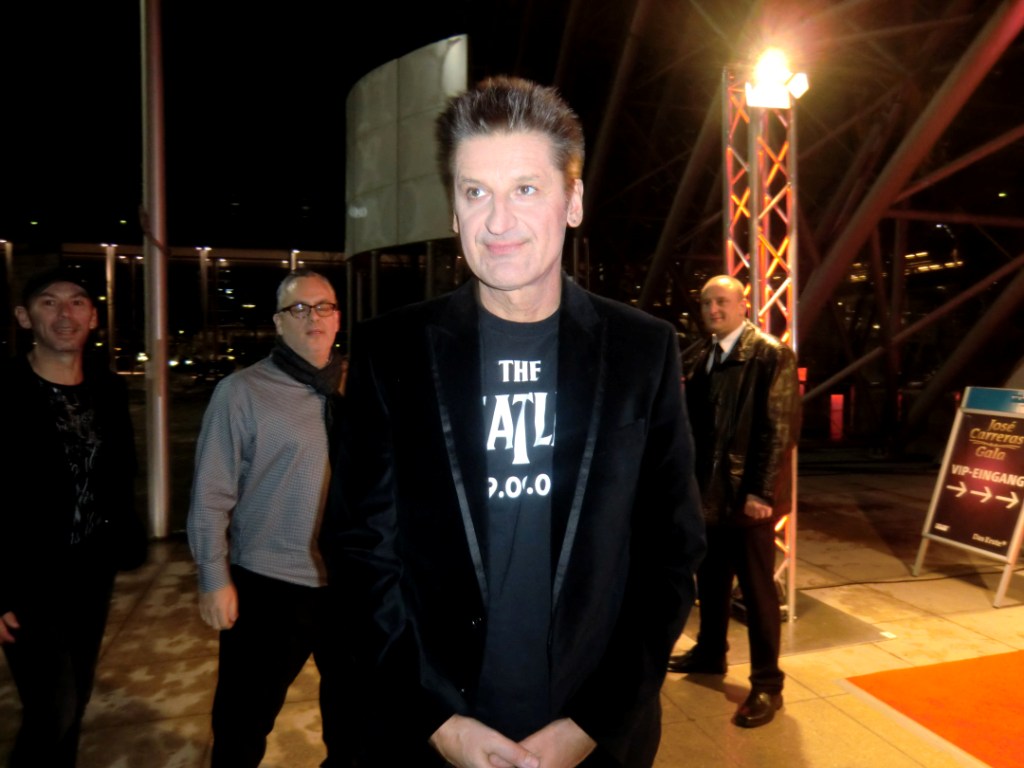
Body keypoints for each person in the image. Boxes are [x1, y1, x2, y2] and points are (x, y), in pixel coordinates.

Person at [320, 76, 705, 768]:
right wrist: (438, 720)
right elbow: (359, 549)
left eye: (525, 189)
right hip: (432, 732)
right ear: (453, 208)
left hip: (595, 734)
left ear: (573, 201)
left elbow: (670, 552)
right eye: (476, 193)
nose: (497, 222)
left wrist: (593, 721)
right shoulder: (393, 352)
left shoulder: (641, 351)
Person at [187, 268, 357, 767]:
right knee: (242, 723)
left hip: (351, 584)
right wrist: (213, 578)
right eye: (298, 308)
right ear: (278, 323)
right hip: (270, 585)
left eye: (323, 307)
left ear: (338, 318)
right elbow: (210, 493)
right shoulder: (242, 391)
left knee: (355, 724)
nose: (313, 317)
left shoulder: (361, 386)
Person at [0, 267, 147, 767]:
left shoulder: (108, 388)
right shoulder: (4, 391)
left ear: (94, 317)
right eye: (49, 302)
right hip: (26, 575)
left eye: (77, 302)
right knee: (53, 708)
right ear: (24, 317)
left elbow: (121, 468)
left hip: (91, 569)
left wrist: (123, 532)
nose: (65, 313)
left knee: (76, 697)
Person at [667, 274, 800, 728]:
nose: (713, 310)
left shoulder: (770, 354)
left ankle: (768, 684)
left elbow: (779, 429)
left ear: (744, 305)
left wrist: (762, 492)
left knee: (758, 591)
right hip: (710, 495)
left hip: (747, 499)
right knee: (712, 581)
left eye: (722, 302)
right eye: (707, 303)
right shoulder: (703, 354)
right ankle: (710, 652)